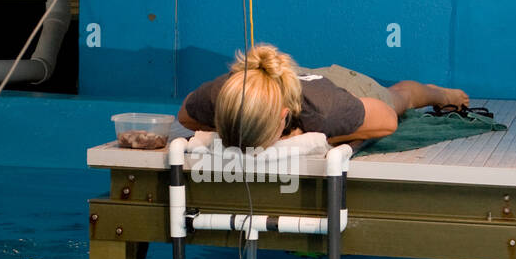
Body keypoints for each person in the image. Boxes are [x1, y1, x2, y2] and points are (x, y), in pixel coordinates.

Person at [177, 42, 469, 149]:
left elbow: (388, 121)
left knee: (400, 97)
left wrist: (314, 134)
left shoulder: (327, 112)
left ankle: (442, 93)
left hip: (346, 87)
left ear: (283, 119)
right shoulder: (222, 93)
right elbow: (185, 116)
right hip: (282, 77)